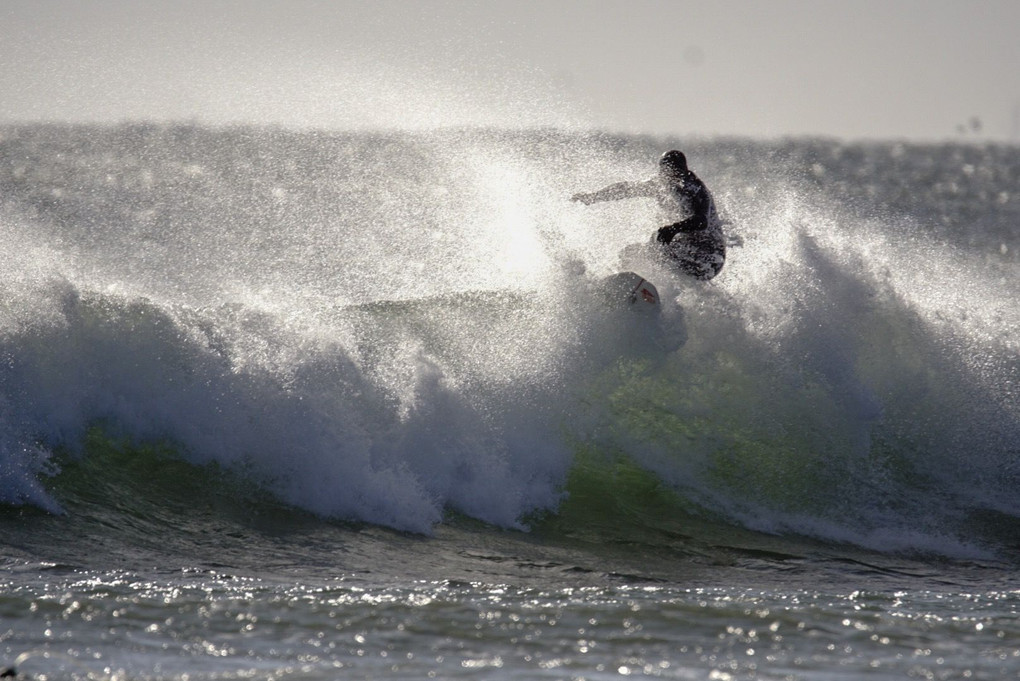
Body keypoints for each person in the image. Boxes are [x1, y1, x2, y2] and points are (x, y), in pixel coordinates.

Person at [571, 150, 725, 280]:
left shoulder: (694, 189)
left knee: (656, 242)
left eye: (676, 172)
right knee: (630, 254)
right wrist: (593, 197)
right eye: (667, 172)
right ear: (662, 171)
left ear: (684, 170)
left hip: (709, 259)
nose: (672, 177)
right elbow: (626, 189)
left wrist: (673, 229)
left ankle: (644, 291)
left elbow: (702, 221)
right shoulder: (660, 185)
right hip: (685, 253)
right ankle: (641, 292)